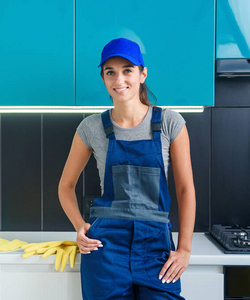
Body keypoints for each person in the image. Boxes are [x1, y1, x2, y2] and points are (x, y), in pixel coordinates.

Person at [58, 37, 196, 299]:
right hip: (105, 249)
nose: (118, 80)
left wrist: (185, 249)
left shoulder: (169, 123)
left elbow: (185, 189)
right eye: (110, 72)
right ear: (103, 79)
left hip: (156, 248)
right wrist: (79, 226)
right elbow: (65, 186)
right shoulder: (91, 127)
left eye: (127, 71)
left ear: (142, 74)